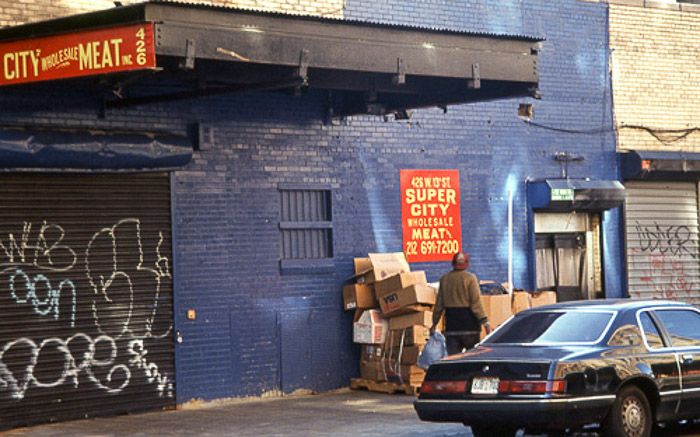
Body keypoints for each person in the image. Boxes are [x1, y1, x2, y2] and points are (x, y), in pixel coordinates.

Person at [430, 252, 492, 355]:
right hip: (470, 328)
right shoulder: (470, 279)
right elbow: (476, 304)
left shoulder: (444, 279)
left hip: (452, 327)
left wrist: (434, 324)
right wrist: (486, 323)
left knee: (454, 362)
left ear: (453, 263)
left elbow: (439, 306)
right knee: (471, 360)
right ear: (466, 263)